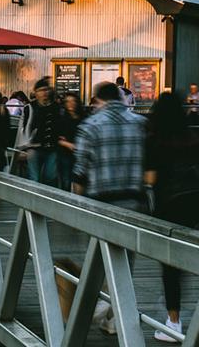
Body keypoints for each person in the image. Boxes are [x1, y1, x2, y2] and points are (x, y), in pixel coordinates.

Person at [72, 81, 148, 335]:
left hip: (100, 201)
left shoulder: (90, 125)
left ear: (97, 100)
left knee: (98, 261)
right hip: (133, 201)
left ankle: (96, 309)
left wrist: (76, 205)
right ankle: (115, 317)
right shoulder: (140, 123)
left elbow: (80, 171)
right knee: (126, 262)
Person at [144, 92, 199, 342]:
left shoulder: (155, 140)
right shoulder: (192, 137)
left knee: (169, 266)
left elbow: (151, 178)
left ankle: (173, 321)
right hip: (193, 205)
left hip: (168, 205)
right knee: (180, 261)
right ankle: (178, 308)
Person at [15, 79, 60, 186]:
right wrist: (21, 149)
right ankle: (32, 196)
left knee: (50, 176)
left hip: (52, 147)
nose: (44, 93)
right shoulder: (29, 108)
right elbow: (22, 128)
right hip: (33, 147)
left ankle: (47, 195)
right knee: (34, 177)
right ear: (35, 93)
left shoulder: (56, 107)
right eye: (41, 90)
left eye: (46, 90)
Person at [57, 92, 85, 191]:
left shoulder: (84, 118)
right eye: (67, 101)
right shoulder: (61, 118)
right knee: (66, 180)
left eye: (73, 101)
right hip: (66, 153)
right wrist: (67, 144)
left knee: (81, 181)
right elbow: (56, 137)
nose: (70, 104)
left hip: (81, 153)